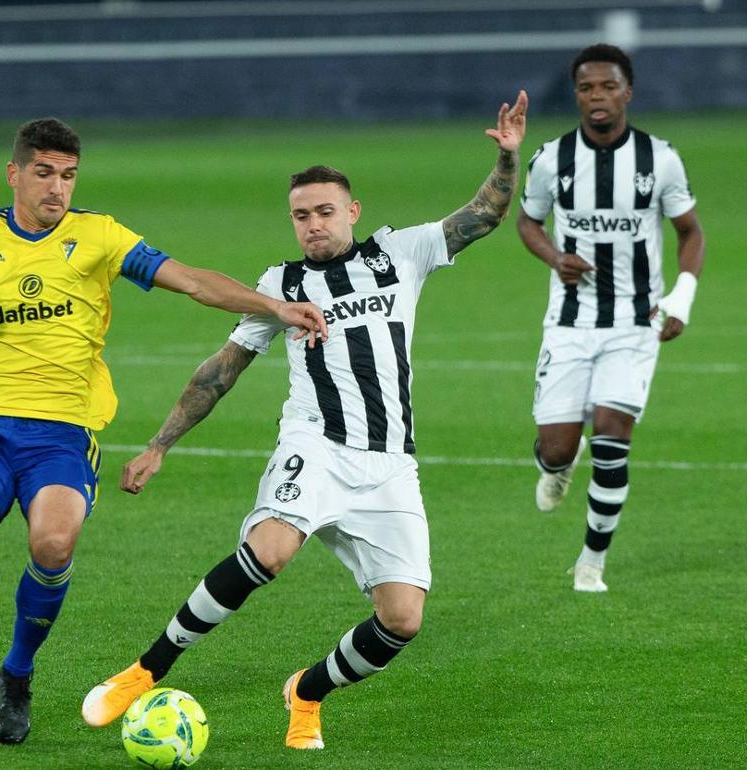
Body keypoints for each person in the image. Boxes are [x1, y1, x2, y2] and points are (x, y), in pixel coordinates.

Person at [80, 91, 529, 749]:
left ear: (352, 212)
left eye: (324, 211)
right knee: (271, 549)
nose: (313, 224)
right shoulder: (281, 286)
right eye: (300, 215)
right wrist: (159, 444)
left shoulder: (398, 255)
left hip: (390, 464)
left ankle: (307, 692)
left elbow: (483, 216)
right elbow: (221, 370)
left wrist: (509, 161)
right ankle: (147, 670)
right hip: (316, 446)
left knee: (402, 620)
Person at [0, 118, 328, 752]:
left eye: (68, 175)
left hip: (62, 433)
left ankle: (17, 673)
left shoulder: (99, 237)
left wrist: (275, 308)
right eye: (43, 173)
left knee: (54, 545)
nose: (57, 188)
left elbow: (194, 282)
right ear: (14, 174)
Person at [517, 44, 706, 592]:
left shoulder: (659, 158)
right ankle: (558, 462)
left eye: (607, 87)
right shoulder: (552, 159)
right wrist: (555, 256)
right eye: (585, 88)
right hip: (570, 322)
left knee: (612, 433)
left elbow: (690, 231)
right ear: (576, 94)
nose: (596, 97)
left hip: (635, 321)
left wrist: (682, 296)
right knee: (554, 447)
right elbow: (528, 222)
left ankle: (591, 561)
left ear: (628, 91)